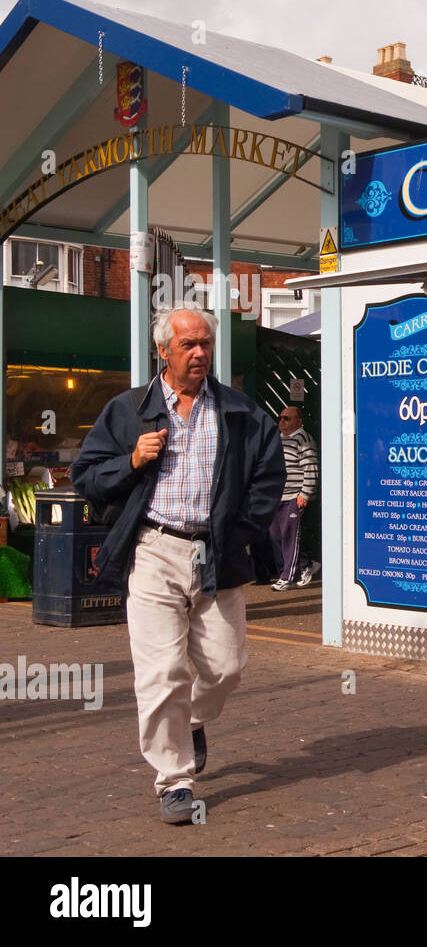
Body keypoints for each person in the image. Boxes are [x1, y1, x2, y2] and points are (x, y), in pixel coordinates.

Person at [71, 306, 285, 824]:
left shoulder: (240, 411)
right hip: (153, 550)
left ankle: (192, 721)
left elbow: (267, 478)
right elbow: (86, 476)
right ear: (162, 351)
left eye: (205, 344)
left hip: (217, 554)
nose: (199, 353)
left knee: (227, 667)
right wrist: (131, 462)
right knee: (161, 672)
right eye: (187, 345)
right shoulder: (127, 411)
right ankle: (174, 782)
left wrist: (238, 535)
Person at [270, 405, 320, 590]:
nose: (282, 421)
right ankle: (306, 564)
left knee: (289, 535)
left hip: (294, 496)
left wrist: (305, 493)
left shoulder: (304, 439)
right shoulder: (278, 439)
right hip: (278, 496)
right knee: (276, 535)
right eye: (280, 417)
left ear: (299, 421)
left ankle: (287, 578)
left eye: (287, 418)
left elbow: (311, 468)